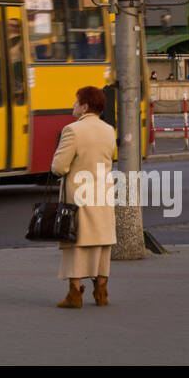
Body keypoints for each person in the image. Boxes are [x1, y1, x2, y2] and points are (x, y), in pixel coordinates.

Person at [50, 86, 118, 309]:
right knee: (100, 242)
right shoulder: (109, 130)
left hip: (80, 195)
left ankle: (74, 294)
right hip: (103, 193)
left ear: (85, 107)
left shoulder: (72, 130)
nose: (74, 106)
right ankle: (101, 292)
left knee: (76, 243)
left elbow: (59, 167)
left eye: (76, 102)